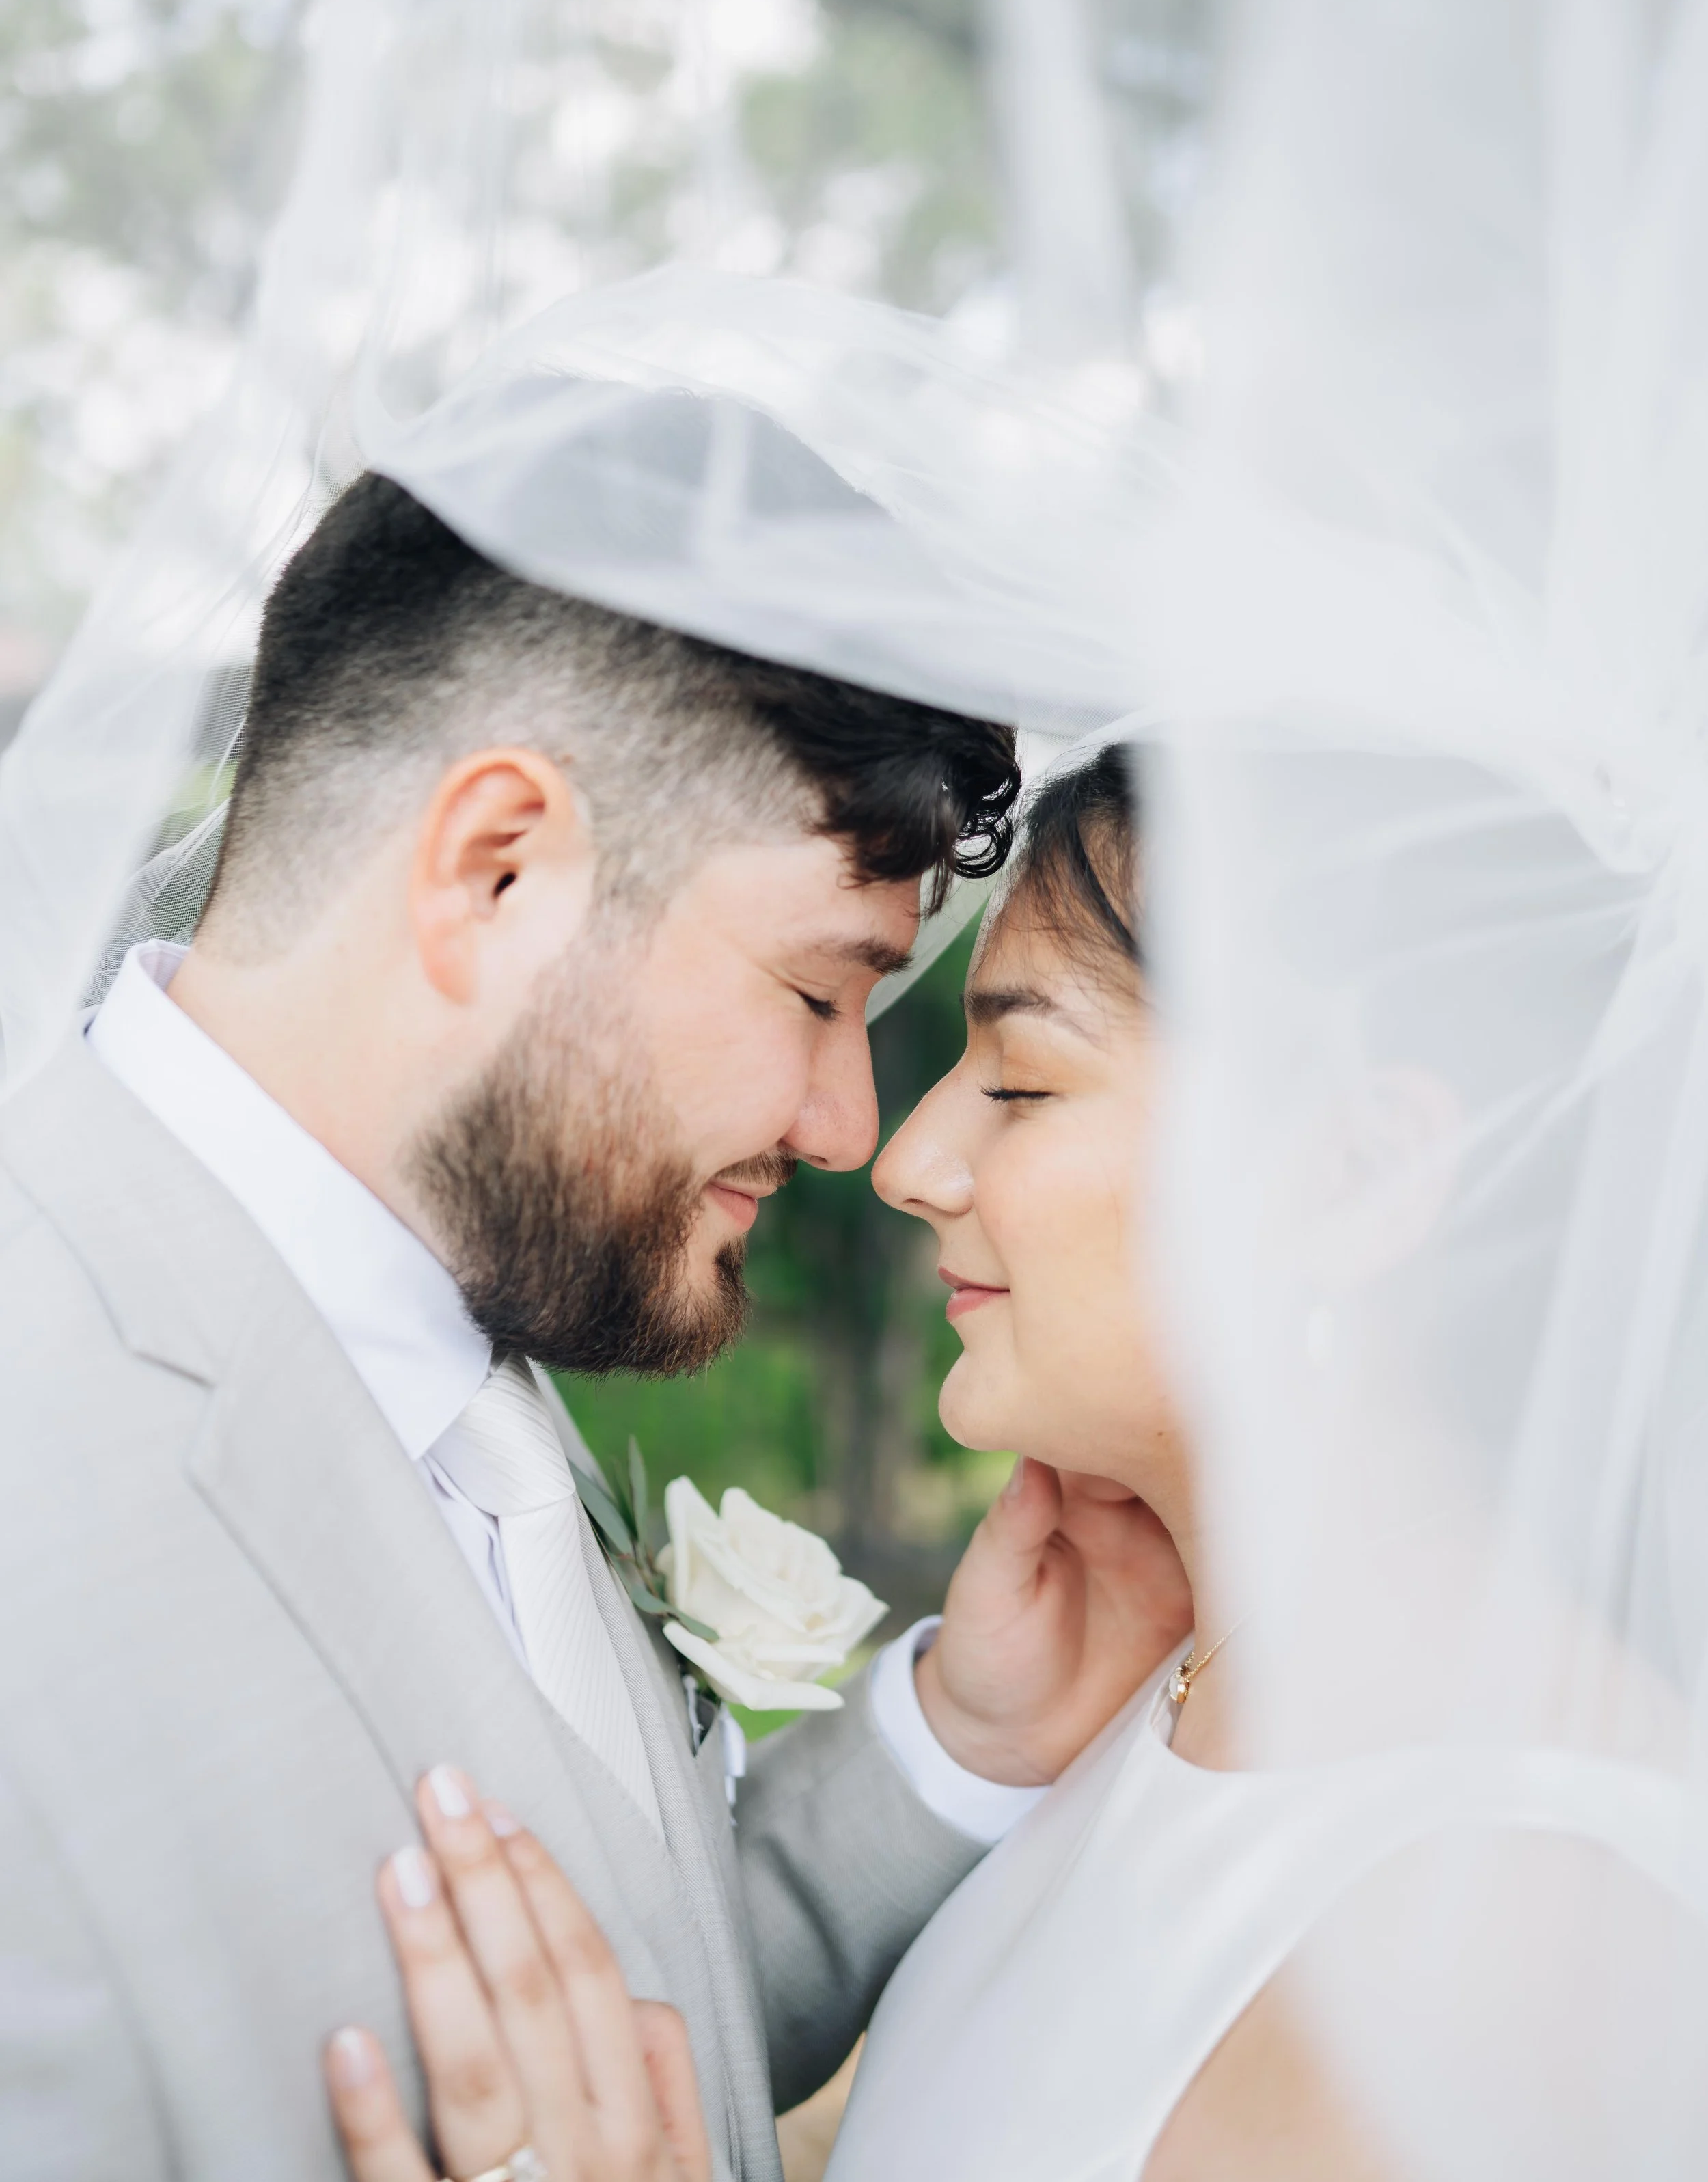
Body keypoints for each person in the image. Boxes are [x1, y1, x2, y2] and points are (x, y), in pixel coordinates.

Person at [0, 474, 1190, 2181]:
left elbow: (615, 2023)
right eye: (815, 992)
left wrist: (952, 1751)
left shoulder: (468, 1331)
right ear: (496, 870)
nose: (850, 1127)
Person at [353, 745, 1708, 2182]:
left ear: (1358, 1176)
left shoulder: (1520, 1953)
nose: (904, 1160)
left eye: (1019, 1084)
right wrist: (969, 1739)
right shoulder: (1159, 1704)